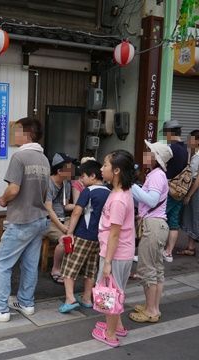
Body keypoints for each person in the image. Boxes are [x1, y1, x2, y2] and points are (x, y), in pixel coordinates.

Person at [0, 117, 50, 322]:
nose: (13, 135)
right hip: (39, 218)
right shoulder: (44, 159)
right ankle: (26, 303)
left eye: (16, 131)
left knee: (1, 262)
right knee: (29, 263)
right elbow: (45, 193)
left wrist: (3, 198)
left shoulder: (19, 157)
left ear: (26, 134)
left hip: (22, 219)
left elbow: (14, 188)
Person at [91, 150, 135, 348]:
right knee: (116, 291)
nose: (101, 169)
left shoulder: (118, 199)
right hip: (119, 252)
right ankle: (118, 326)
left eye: (105, 165)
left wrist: (107, 261)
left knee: (110, 294)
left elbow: (115, 234)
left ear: (116, 170)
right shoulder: (122, 193)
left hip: (115, 254)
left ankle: (110, 334)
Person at [58, 160, 110, 313]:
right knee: (90, 269)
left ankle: (70, 298)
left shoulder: (88, 191)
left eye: (84, 176)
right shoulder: (109, 192)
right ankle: (87, 298)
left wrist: (69, 233)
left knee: (69, 267)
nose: (81, 179)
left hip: (82, 234)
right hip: (99, 237)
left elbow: (76, 212)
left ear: (93, 176)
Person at [128, 141, 172, 324]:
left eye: (149, 152)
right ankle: (153, 307)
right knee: (157, 270)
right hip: (158, 225)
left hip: (153, 226)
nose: (146, 154)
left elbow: (152, 200)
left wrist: (130, 185)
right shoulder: (157, 175)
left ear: (155, 158)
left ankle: (151, 310)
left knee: (148, 270)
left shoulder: (156, 176)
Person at [45, 153, 76, 284]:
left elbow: (66, 205)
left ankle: (69, 268)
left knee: (78, 236)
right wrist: (63, 227)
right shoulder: (48, 183)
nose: (73, 170)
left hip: (64, 218)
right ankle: (56, 269)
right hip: (48, 220)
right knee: (65, 240)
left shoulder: (67, 184)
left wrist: (81, 206)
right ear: (59, 171)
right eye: (69, 168)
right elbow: (48, 209)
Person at [162, 120, 189, 262]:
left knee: (158, 219)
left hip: (168, 189)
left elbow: (163, 166)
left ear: (170, 133)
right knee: (173, 222)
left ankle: (155, 250)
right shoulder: (185, 149)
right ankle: (168, 252)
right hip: (180, 190)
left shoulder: (170, 148)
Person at [180, 129, 199, 256]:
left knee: (194, 215)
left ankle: (191, 247)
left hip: (195, 190)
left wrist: (189, 194)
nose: (188, 141)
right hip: (194, 189)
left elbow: (197, 179)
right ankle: (190, 245)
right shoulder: (194, 155)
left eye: (191, 139)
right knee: (192, 215)